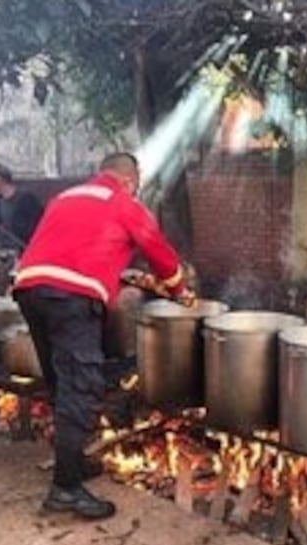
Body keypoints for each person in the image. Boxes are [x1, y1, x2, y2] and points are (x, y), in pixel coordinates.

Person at [13, 152, 195, 520]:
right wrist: (181, 292)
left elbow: (67, 246)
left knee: (61, 384)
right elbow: (161, 256)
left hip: (29, 289)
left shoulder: (66, 197)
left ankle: (73, 464)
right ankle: (64, 489)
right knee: (81, 386)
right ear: (130, 180)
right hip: (70, 298)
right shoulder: (124, 203)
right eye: (137, 183)